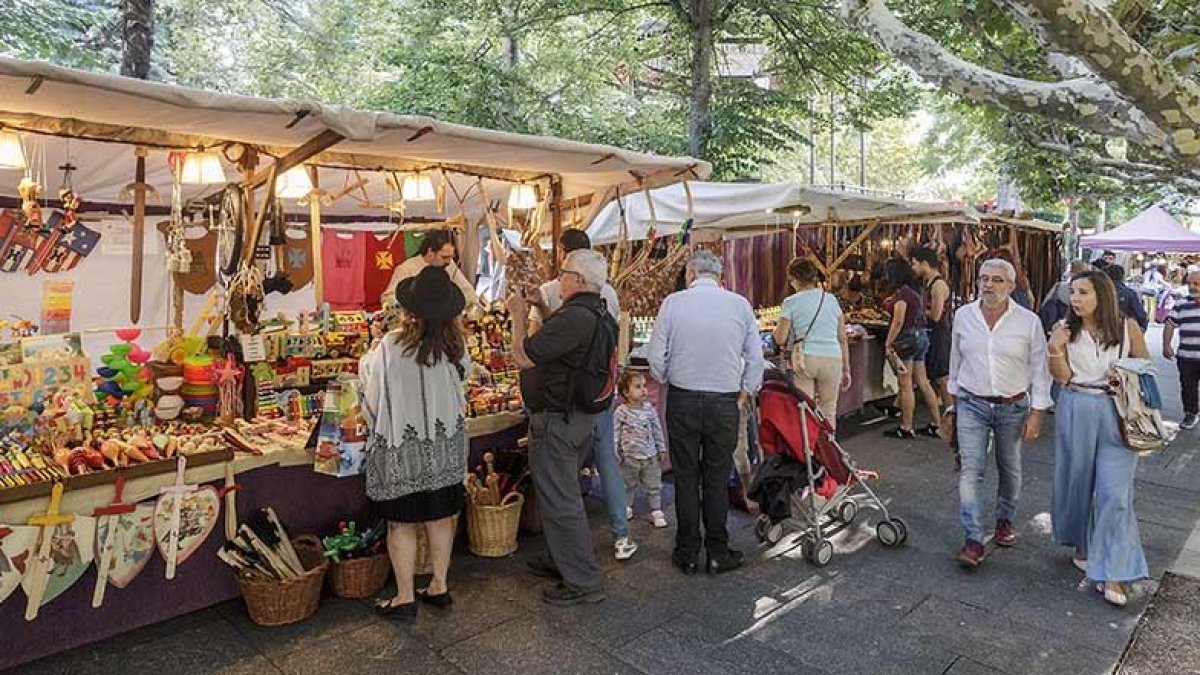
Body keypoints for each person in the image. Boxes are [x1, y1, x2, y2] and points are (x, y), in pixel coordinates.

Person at [359, 266, 469, 622]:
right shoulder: (455, 346)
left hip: (400, 449)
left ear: (410, 310)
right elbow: (462, 386)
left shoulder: (390, 346)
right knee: (440, 518)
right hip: (443, 447)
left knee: (401, 524)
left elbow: (371, 393)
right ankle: (439, 585)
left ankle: (405, 596)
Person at [507, 249, 615, 606]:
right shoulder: (593, 312)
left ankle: (582, 580)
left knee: (562, 498)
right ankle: (563, 559)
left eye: (564, 272)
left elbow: (523, 356)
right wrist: (540, 308)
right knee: (560, 495)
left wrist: (518, 315)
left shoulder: (577, 318)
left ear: (579, 280)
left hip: (559, 420)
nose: (559, 277)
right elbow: (561, 339)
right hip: (576, 418)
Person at [648, 250, 763, 576]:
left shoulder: (673, 303)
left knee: (685, 477)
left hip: (683, 399)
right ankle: (717, 551)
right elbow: (755, 358)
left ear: (690, 274)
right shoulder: (739, 304)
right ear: (719, 276)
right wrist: (745, 390)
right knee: (715, 477)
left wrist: (672, 376)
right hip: (724, 402)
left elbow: (656, 357)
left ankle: (686, 552)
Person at [524, 229, 634, 560]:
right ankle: (620, 534)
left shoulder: (554, 293)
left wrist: (525, 311)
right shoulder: (608, 295)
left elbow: (532, 347)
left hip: (566, 399)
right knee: (604, 460)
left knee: (563, 483)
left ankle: (573, 559)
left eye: (563, 272)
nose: (560, 278)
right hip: (597, 392)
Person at [1048, 270, 1150, 607]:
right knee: (1077, 483)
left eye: (1083, 292)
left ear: (1102, 294)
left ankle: (1112, 572)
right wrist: (1054, 349)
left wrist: (1127, 375)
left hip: (1117, 413)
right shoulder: (1065, 330)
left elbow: (1143, 367)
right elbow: (1062, 378)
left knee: (1115, 494)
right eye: (1073, 292)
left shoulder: (1127, 327)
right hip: (1076, 404)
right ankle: (1084, 544)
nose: (1075, 299)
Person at [946, 259, 1051, 566]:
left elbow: (1040, 370)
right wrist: (951, 405)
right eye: (984, 279)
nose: (989, 285)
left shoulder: (1028, 321)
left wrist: (1038, 412)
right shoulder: (963, 316)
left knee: (1010, 467)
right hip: (971, 402)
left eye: (997, 280)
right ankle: (973, 538)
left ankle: (1004, 519)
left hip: (1013, 405)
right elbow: (955, 363)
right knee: (970, 470)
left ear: (1011, 285)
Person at [772, 257, 850, 429]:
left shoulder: (790, 302)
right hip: (832, 358)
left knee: (806, 409)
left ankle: (809, 451)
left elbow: (780, 338)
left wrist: (775, 330)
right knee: (829, 410)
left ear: (795, 279)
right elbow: (842, 338)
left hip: (805, 358)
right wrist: (846, 369)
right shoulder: (831, 300)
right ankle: (829, 451)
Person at [881, 258, 941, 439]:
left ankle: (906, 427)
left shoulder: (902, 295)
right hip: (921, 336)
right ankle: (937, 424)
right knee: (922, 381)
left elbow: (898, 321)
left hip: (907, 339)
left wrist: (888, 343)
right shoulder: (915, 292)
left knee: (905, 384)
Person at [614, 370, 668, 528]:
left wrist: (661, 448)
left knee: (654, 484)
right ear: (626, 392)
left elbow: (657, 429)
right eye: (638, 387)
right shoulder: (621, 412)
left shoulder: (649, 410)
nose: (644, 389)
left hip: (650, 456)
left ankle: (656, 510)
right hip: (629, 457)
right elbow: (615, 432)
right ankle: (627, 507)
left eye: (644, 386)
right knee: (627, 484)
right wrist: (615, 451)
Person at [383, 229, 479, 310]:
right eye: (444, 257)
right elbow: (388, 298)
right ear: (430, 253)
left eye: (451, 257)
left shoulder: (449, 265)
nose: (449, 262)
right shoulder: (406, 269)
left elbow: (469, 293)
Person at [911, 247, 952, 407]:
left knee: (942, 377)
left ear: (925, 264)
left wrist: (917, 310)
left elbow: (936, 315)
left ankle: (951, 414)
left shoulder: (938, 285)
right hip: (930, 333)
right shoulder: (927, 283)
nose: (913, 268)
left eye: (915, 264)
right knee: (935, 377)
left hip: (939, 334)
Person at [1164, 271, 1200, 430]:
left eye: (1196, 284)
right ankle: (1190, 414)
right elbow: (1170, 323)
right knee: (1188, 387)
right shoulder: (1181, 304)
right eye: (1190, 283)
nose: (1192, 287)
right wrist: (1166, 345)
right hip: (1186, 356)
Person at [1040, 260, 1092, 335]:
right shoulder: (1088, 291)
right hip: (1077, 325)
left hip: (1056, 325)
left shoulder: (1059, 286)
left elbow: (1045, 303)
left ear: (1071, 272)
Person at [1104, 264, 1149, 330]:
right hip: (1124, 329)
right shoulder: (1129, 293)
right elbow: (1141, 315)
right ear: (1122, 276)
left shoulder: (1099, 292)